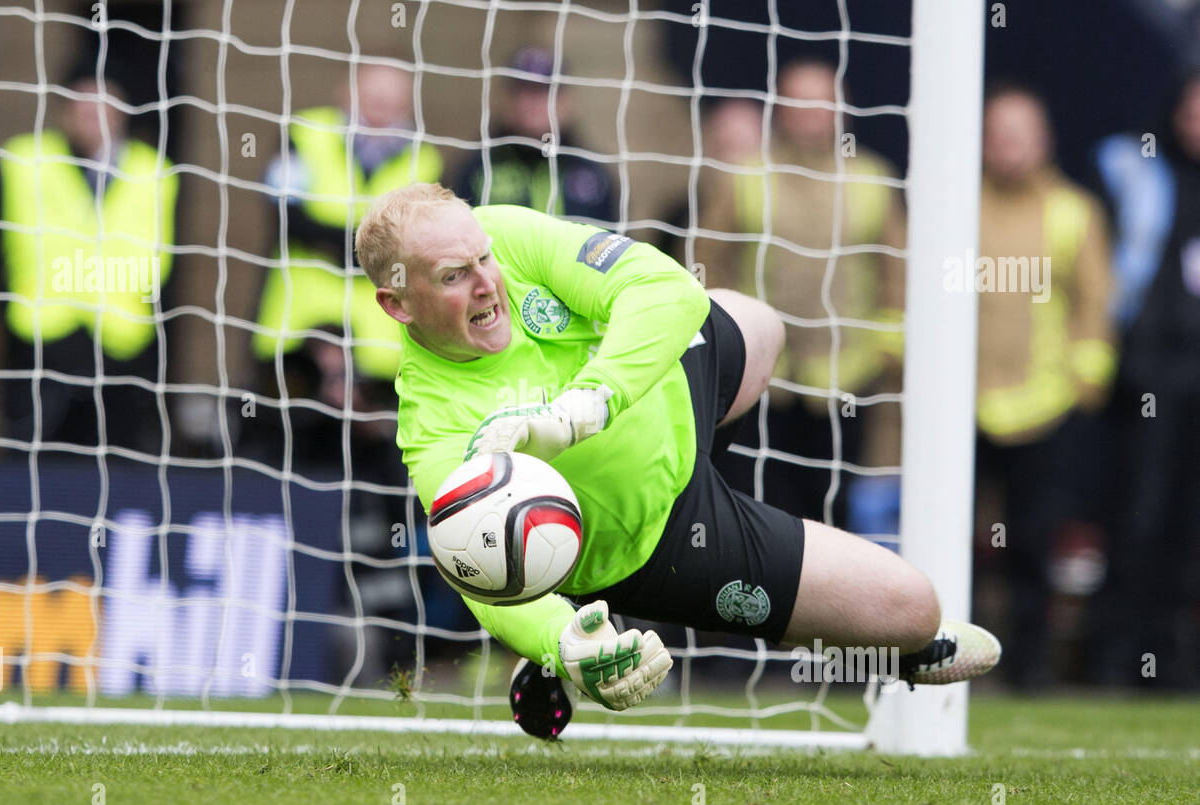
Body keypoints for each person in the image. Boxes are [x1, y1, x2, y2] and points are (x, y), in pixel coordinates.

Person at [354, 182, 1000, 730]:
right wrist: (565, 641)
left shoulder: (507, 234)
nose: (487, 282)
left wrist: (587, 405)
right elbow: (483, 571)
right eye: (453, 276)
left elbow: (667, 290)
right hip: (654, 542)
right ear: (397, 304)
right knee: (913, 612)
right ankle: (583, 632)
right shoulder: (432, 423)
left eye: (483, 259)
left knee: (759, 322)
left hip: (669, 396)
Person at [694, 60, 906, 533]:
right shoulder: (745, 177)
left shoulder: (874, 180)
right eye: (798, 101)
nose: (809, 113)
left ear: (841, 110)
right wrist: (723, 345)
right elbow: (706, 258)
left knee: (834, 504)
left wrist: (886, 348)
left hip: (847, 375)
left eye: (821, 102)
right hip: (761, 375)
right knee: (757, 501)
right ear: (779, 109)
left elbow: (897, 271)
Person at [974, 84, 1117, 689]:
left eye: (1020, 135)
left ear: (1044, 140)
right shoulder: (954, 205)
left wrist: (1089, 375)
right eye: (997, 135)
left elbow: (1095, 301)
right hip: (964, 404)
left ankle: (1028, 668)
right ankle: (943, 656)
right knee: (951, 538)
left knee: (1034, 543)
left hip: (1045, 403)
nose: (1008, 148)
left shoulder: (1073, 212)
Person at [246, 62, 442, 469]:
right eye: (371, 96)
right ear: (346, 91)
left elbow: (421, 245)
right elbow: (285, 214)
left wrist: (336, 240)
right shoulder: (304, 133)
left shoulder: (425, 162)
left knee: (376, 472)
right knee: (281, 461)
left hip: (379, 346)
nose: (380, 109)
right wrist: (370, 245)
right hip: (295, 331)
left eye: (390, 100)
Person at [0, 68, 178, 454]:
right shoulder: (25, 160)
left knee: (117, 469)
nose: (93, 117)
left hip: (123, 348)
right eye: (83, 106)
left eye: (103, 106)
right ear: (64, 111)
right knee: (28, 466)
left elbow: (172, 263)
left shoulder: (154, 170)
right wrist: (10, 310)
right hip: (39, 344)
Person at [1086, 67, 1200, 690]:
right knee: (1137, 518)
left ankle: (1173, 667)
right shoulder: (1135, 169)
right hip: (1149, 379)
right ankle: (1112, 661)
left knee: (1188, 531)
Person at [454, 46, 616, 224]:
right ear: (507, 99)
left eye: (544, 92)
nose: (533, 104)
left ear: (566, 99)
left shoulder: (593, 174)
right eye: (524, 91)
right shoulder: (478, 168)